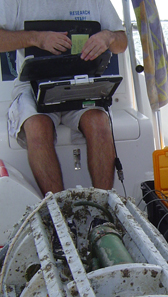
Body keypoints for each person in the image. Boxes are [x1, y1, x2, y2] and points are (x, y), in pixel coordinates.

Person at [0, 1, 128, 195]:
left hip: (81, 81)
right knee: (37, 125)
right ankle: (59, 208)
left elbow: (122, 42)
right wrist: (37, 39)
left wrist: (108, 37)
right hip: (32, 84)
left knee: (99, 122)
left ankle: (104, 206)